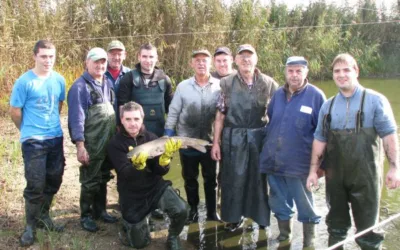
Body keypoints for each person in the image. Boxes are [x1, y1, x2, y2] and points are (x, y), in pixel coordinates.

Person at [306, 53, 400, 250]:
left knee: (369, 231)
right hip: (335, 178)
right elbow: (319, 139)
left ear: (356, 71)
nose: (341, 75)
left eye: (346, 70)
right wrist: (313, 171)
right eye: (336, 71)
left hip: (366, 177)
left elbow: (389, 136)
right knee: (336, 227)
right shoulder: (327, 106)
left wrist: (394, 168)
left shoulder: (375, 100)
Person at [259, 56, 325, 247]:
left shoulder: (316, 96)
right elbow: (271, 120)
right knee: (278, 202)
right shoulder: (278, 94)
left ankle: (309, 241)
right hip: (274, 161)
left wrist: (320, 166)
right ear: (285, 72)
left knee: (306, 205)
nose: (294, 75)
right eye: (290, 71)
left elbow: (324, 135)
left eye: (298, 71)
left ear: (306, 72)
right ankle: (284, 235)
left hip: (301, 165)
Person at [211, 44, 278, 231]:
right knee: (233, 179)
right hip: (233, 137)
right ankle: (233, 217)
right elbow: (220, 116)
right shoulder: (226, 83)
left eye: (250, 56)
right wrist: (216, 143)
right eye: (242, 56)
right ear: (236, 60)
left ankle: (262, 217)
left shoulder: (269, 83)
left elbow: (276, 115)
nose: (246, 60)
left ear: (256, 59)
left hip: (259, 137)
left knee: (259, 179)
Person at [107, 101, 188, 250]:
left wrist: (165, 162)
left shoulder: (151, 137)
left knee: (182, 209)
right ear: (122, 120)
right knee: (140, 243)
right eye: (128, 119)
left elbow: (160, 171)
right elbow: (124, 173)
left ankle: (173, 236)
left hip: (154, 187)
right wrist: (136, 167)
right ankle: (130, 222)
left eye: (136, 119)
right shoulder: (115, 143)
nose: (133, 124)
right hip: (132, 194)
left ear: (142, 119)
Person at [10, 40, 66, 246]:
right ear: (34, 56)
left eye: (51, 56)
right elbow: (15, 111)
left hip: (55, 137)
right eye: (43, 56)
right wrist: (27, 130)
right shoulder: (24, 82)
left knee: (55, 178)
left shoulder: (59, 80)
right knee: (35, 183)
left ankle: (44, 216)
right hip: (33, 141)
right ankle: (30, 226)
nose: (48, 60)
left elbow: (59, 104)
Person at [165, 49, 221, 223]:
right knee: (189, 179)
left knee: (211, 179)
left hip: (209, 143)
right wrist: (168, 133)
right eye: (197, 60)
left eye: (204, 60)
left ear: (210, 63)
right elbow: (173, 111)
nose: (201, 63)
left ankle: (212, 213)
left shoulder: (220, 86)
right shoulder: (183, 86)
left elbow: (222, 115)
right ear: (191, 64)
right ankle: (193, 210)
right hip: (186, 142)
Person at [68, 47, 118, 232]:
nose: (100, 65)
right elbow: (76, 119)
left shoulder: (108, 82)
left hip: (108, 141)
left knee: (104, 176)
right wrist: (80, 146)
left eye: (103, 61)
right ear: (87, 62)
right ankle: (86, 215)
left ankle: (101, 211)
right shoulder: (79, 87)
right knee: (90, 180)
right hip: (92, 143)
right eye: (96, 61)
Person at [117, 43, 173, 137]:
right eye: (144, 56)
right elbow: (122, 107)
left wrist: (170, 130)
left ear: (156, 58)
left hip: (159, 133)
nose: (148, 60)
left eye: (151, 57)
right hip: (136, 134)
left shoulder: (164, 79)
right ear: (139, 57)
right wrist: (126, 131)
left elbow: (171, 109)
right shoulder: (128, 78)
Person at [105, 40, 131, 121]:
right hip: (105, 122)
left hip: (125, 123)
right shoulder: (99, 74)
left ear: (125, 55)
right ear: (107, 55)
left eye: (119, 54)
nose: (116, 57)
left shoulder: (131, 75)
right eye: (113, 54)